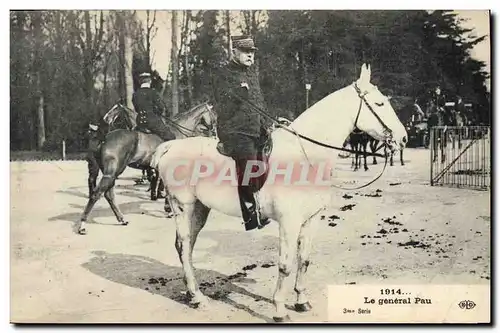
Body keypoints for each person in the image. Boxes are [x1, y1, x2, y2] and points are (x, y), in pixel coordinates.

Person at [212, 36, 272, 231]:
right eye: (246, 51)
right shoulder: (224, 74)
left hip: (256, 130)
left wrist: (267, 123)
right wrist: (238, 94)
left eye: (252, 52)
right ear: (234, 52)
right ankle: (250, 216)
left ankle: (263, 205)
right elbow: (221, 107)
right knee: (248, 168)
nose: (250, 55)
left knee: (265, 167)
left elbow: (259, 103)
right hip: (234, 131)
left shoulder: (252, 74)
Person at [132, 72, 175, 141]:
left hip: (140, 122)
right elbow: (161, 107)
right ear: (150, 81)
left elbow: (137, 109)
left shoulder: (135, 94)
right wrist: (157, 113)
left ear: (140, 82)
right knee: (171, 137)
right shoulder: (153, 92)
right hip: (152, 121)